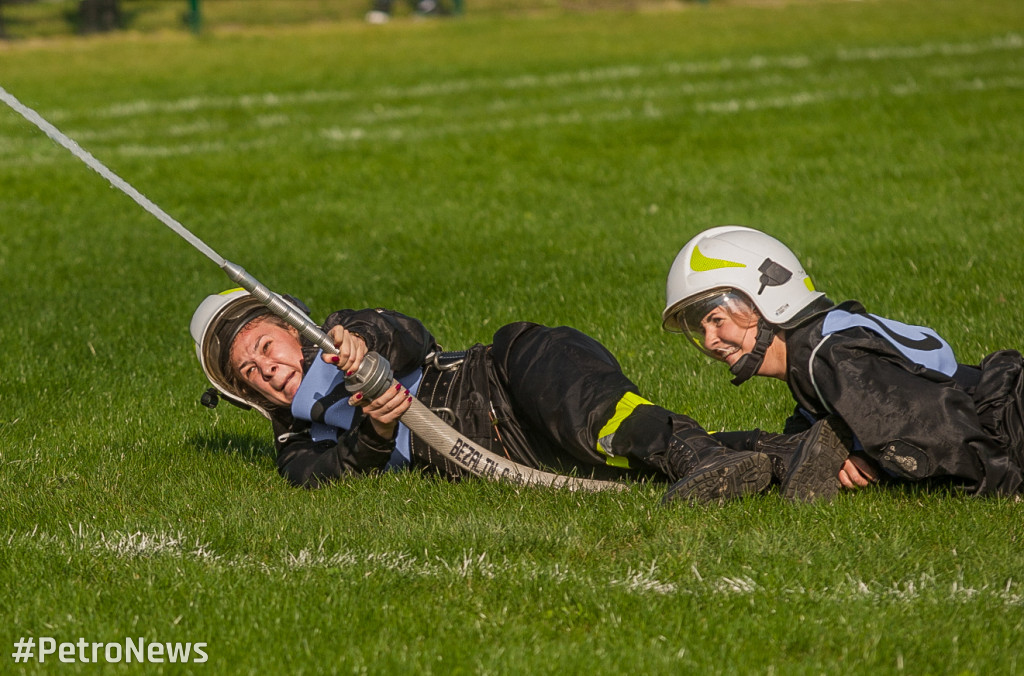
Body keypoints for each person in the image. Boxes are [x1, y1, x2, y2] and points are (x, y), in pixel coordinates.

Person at [189, 288, 842, 503]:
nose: (265, 368)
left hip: (497, 376)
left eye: (266, 346)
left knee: (588, 412)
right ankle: (788, 454)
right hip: (465, 456)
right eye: (249, 370)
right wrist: (375, 432)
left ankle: (701, 458)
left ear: (291, 326)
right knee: (599, 450)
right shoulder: (294, 436)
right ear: (246, 391)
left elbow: (408, 333)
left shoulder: (347, 333)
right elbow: (317, 477)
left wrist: (361, 347)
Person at [661, 225, 1024, 499]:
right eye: (699, 328)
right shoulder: (816, 348)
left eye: (717, 320)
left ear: (761, 301)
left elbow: (948, 434)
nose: (709, 341)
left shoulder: (829, 359)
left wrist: (884, 462)